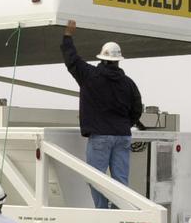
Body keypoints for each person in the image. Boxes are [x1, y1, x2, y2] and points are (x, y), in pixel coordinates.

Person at [60, 20, 143, 209]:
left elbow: (72, 60)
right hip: (122, 135)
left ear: (102, 58)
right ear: (118, 60)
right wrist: (124, 124)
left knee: (96, 178)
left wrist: (68, 36)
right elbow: (137, 108)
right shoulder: (128, 83)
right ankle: (119, 213)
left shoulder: (90, 75)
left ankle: (103, 212)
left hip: (100, 137)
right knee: (120, 180)